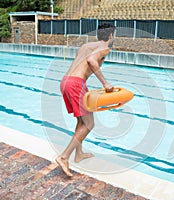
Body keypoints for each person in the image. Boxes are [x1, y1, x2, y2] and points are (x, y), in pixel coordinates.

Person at [56, 23, 116, 177]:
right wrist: (105, 83)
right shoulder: (105, 48)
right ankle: (64, 157)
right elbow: (91, 61)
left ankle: (79, 153)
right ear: (111, 36)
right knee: (89, 124)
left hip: (66, 82)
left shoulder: (87, 45)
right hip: (76, 84)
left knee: (81, 122)